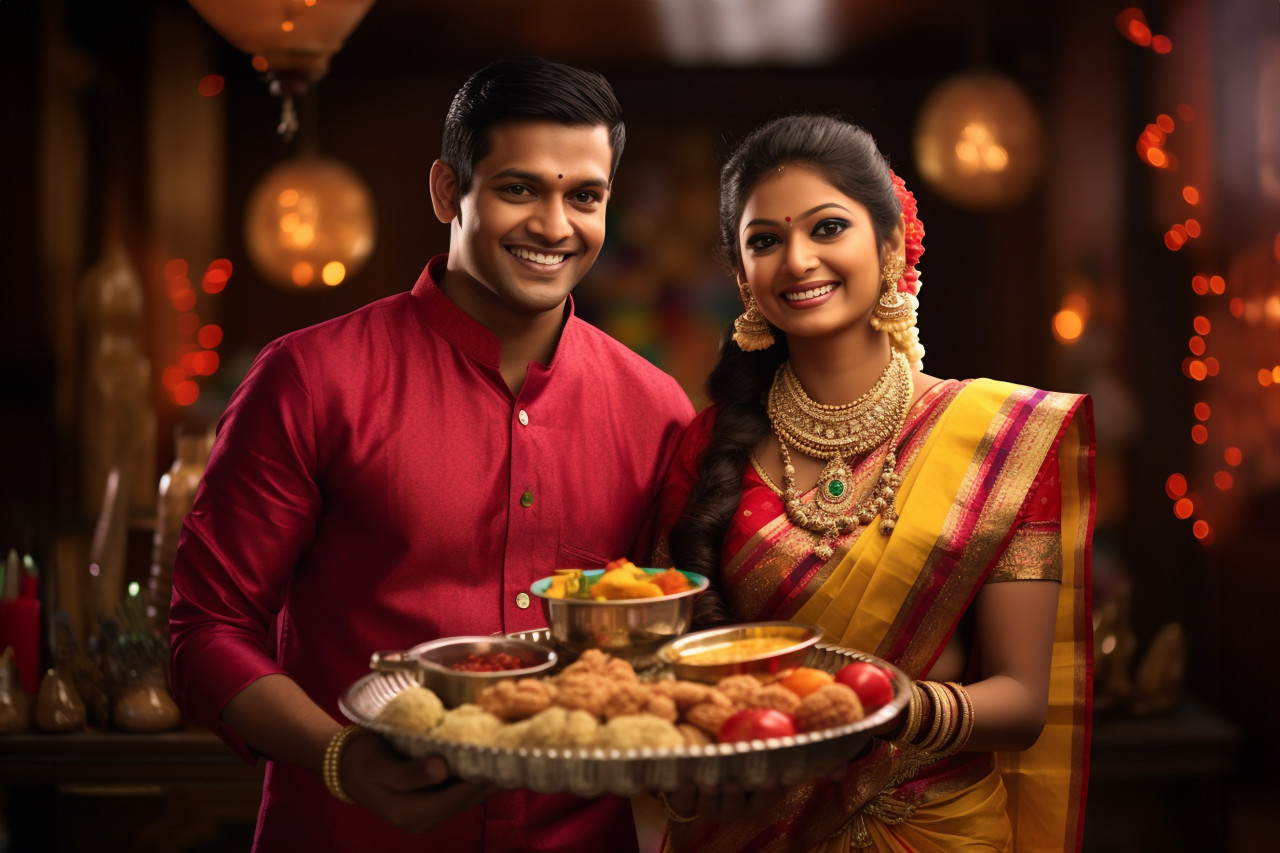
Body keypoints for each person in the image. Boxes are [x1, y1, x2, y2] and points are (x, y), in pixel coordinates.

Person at [168, 56, 694, 852]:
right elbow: (204, 630)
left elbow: (671, 643)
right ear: (449, 191)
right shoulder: (312, 378)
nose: (556, 225)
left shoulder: (655, 408)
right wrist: (340, 757)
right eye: (520, 188)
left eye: (584, 196)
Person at [655, 114, 1094, 852]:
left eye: (827, 228)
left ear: (890, 245)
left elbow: (1021, 702)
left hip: (930, 828)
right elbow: (673, 686)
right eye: (765, 240)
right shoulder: (706, 448)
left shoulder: (997, 440)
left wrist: (893, 708)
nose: (797, 260)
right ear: (741, 276)